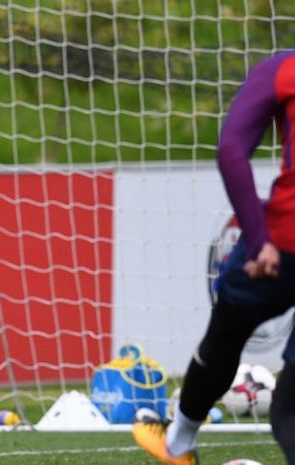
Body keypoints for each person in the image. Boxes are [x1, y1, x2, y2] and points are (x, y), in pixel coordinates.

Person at [132, 51, 295, 465]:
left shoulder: (283, 68)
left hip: (285, 240)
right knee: (291, 406)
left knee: (228, 334)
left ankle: (178, 442)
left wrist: (258, 239)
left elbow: (231, 150)